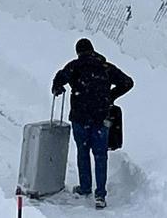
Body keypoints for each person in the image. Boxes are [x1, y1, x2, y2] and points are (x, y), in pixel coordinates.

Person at [52, 38, 134, 210]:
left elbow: (60, 77)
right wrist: (109, 96)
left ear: (78, 52)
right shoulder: (105, 67)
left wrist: (57, 88)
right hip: (100, 119)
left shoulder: (75, 66)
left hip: (80, 118)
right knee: (100, 155)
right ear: (93, 50)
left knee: (83, 152)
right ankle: (100, 195)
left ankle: (85, 187)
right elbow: (127, 82)